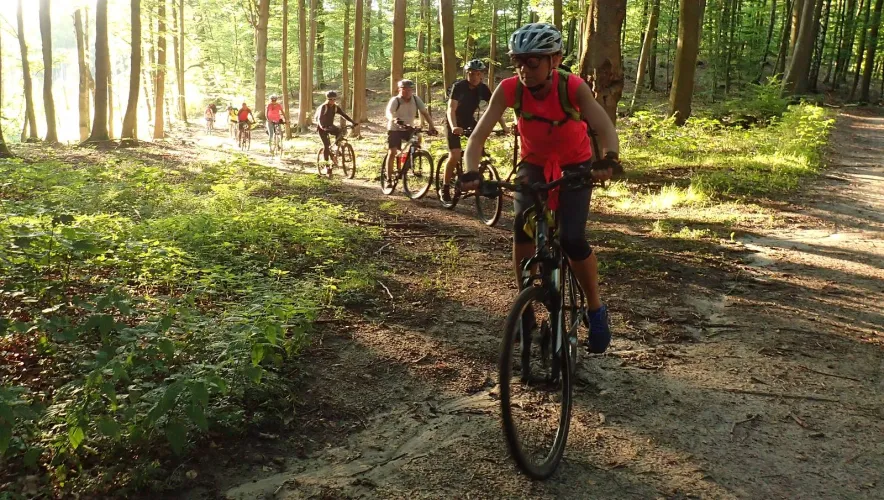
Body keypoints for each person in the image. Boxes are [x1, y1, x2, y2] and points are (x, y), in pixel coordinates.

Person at [459, 23, 621, 353]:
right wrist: (470, 171)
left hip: (576, 166)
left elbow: (604, 126)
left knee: (572, 239)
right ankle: (527, 308)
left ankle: (595, 308)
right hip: (533, 166)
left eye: (533, 61)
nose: (524, 69)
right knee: (523, 233)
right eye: (518, 60)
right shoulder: (509, 89)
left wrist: (609, 159)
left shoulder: (573, 88)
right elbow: (477, 136)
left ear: (555, 60)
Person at [440, 59, 510, 202]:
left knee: (479, 148)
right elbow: (451, 109)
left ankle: (473, 178)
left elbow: (495, 108)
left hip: (469, 120)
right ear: (467, 74)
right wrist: (454, 127)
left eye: (477, 74)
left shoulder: (483, 89)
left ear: (482, 75)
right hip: (453, 121)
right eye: (471, 74)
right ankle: (445, 186)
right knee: (454, 154)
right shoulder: (459, 87)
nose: (474, 77)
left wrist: (504, 127)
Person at [384, 79, 438, 188]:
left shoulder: (416, 99)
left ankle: (412, 157)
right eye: (404, 89)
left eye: (409, 89)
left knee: (418, 137)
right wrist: (393, 119)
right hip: (395, 129)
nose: (407, 91)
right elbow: (388, 112)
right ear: (400, 89)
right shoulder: (395, 100)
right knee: (392, 152)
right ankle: (388, 178)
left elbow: (425, 113)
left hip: (408, 128)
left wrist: (432, 126)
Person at [314, 91, 356, 171]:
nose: (332, 101)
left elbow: (344, 115)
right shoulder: (324, 107)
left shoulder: (335, 107)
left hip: (330, 126)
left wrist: (353, 122)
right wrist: (323, 127)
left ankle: (336, 147)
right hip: (322, 128)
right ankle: (326, 166)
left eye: (334, 99)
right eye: (330, 99)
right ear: (327, 99)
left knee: (339, 131)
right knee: (326, 146)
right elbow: (319, 118)